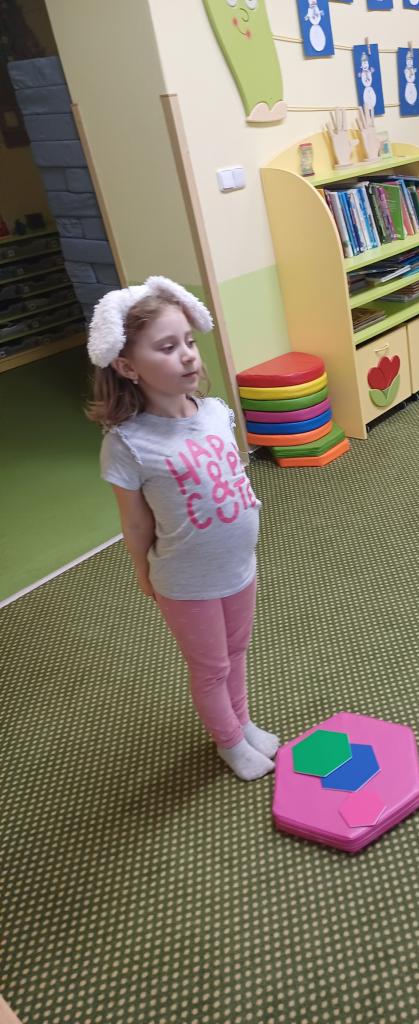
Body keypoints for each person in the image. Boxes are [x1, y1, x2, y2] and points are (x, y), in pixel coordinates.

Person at [86, 277, 278, 781]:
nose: (189, 355)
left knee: (237, 652)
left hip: (239, 566)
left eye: (189, 341)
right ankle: (229, 742)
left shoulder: (214, 413)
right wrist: (142, 571)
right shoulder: (128, 443)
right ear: (128, 367)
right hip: (186, 581)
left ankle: (242, 722)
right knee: (211, 666)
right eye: (167, 347)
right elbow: (134, 521)